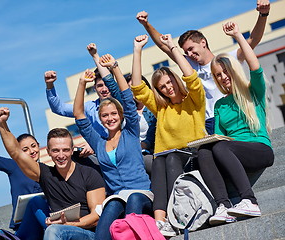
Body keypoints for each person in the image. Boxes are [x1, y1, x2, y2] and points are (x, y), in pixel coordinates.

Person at [136, 0, 270, 134]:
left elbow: (253, 40)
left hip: (231, 114)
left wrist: (263, 15)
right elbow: (164, 46)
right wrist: (146, 24)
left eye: (191, 49)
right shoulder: (191, 65)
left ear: (203, 42)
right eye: (186, 52)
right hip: (206, 121)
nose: (189, 54)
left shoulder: (227, 60)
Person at [197, 22, 274, 226]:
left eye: (225, 72)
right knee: (205, 151)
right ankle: (222, 205)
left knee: (221, 146)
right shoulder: (220, 105)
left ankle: (249, 200)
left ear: (233, 70)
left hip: (259, 149)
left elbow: (254, 67)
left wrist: (238, 35)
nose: (223, 78)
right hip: (232, 150)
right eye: (218, 75)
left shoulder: (252, 91)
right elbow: (221, 138)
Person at [130, 34, 205, 237]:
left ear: (175, 80)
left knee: (169, 157)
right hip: (166, 160)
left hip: (191, 156)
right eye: (163, 87)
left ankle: (175, 215)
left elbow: (191, 78)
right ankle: (160, 220)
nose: (168, 88)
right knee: (160, 159)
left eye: (170, 82)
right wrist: (137, 50)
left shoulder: (194, 101)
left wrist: (172, 48)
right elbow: (137, 88)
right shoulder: (161, 108)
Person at [0, 107, 106, 240]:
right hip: (59, 230)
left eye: (65, 150)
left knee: (53, 230)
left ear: (72, 150)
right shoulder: (46, 175)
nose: (61, 155)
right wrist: (2, 124)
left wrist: (67, 224)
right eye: (55, 151)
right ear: (48, 152)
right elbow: (16, 153)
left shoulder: (89, 174)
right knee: (39, 207)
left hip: (88, 234)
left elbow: (96, 217)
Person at [74, 61, 153, 240]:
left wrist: (115, 68)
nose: (110, 118)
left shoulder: (131, 132)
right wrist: (81, 84)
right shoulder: (98, 142)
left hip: (141, 194)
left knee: (132, 202)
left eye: (113, 114)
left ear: (120, 115)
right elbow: (79, 115)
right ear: (100, 119)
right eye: (105, 115)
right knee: (103, 230)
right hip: (116, 197)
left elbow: (126, 97)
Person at [87, 42, 156, 174]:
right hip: (127, 153)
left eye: (136, 88)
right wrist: (95, 56)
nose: (134, 93)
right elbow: (110, 83)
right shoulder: (126, 108)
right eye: (130, 89)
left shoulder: (153, 108)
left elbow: (153, 135)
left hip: (149, 152)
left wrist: (143, 145)